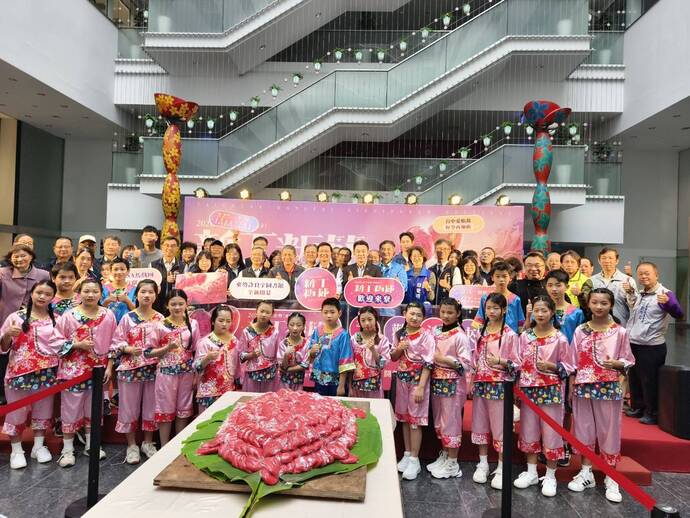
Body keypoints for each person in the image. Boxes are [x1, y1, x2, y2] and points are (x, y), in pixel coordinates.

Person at [567, 288, 635, 503]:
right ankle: (586, 472)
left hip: (609, 386)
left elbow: (629, 359)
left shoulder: (619, 332)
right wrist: (571, 385)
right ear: (588, 304)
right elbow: (571, 360)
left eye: (604, 303)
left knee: (609, 430)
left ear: (611, 305)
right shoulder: (580, 330)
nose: (598, 306)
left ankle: (611, 476)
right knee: (584, 428)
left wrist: (618, 363)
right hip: (583, 386)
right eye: (595, 302)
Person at [513, 296, 575, 497]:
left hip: (551, 391)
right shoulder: (525, 336)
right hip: (528, 390)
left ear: (552, 313)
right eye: (537, 310)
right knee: (528, 430)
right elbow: (518, 363)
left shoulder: (560, 338)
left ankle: (550, 475)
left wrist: (553, 366)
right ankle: (531, 472)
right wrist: (517, 386)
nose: (540, 314)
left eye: (544, 310)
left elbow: (569, 366)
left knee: (551, 433)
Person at [1, 280, 63, 469]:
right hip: (19, 372)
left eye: (47, 294)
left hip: (47, 371)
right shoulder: (16, 317)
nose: (42, 297)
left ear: (52, 297)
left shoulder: (57, 319)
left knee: (43, 410)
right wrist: (8, 334)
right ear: (32, 294)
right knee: (16, 411)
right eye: (39, 292)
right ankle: (16, 450)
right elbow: (3, 346)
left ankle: (38, 446)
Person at [55, 278, 117, 467]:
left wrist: (109, 367)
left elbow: (115, 342)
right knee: (70, 410)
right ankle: (67, 450)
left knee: (94, 408)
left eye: (95, 291)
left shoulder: (108, 315)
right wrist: (76, 345)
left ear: (101, 294)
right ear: (79, 293)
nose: (90, 295)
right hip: (72, 371)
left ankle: (92, 445)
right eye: (86, 291)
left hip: (98, 371)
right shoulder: (68, 316)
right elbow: (56, 341)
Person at [110, 279, 164, 465]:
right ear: (137, 295)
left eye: (150, 292)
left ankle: (148, 443)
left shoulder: (161, 319)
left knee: (151, 406)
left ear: (156, 295)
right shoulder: (128, 318)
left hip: (154, 369)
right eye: (143, 292)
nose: (146, 295)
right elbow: (116, 341)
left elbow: (166, 343)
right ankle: (132, 445)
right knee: (128, 408)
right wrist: (127, 349)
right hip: (130, 368)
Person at [624, 262, 684, 424]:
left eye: (647, 273)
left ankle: (652, 412)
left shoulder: (665, 293)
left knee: (649, 380)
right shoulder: (640, 293)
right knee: (634, 378)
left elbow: (679, 314)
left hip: (652, 345)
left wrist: (669, 303)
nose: (643, 276)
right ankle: (637, 407)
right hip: (634, 342)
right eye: (640, 274)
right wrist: (630, 292)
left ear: (656, 275)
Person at [470, 293, 519, 490]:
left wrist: (500, 361)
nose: (491, 311)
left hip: (500, 385)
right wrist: (472, 379)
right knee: (480, 423)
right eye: (488, 308)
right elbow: (473, 359)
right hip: (481, 384)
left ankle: (501, 466)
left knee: (500, 427)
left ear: (504, 310)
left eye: (496, 308)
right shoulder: (480, 332)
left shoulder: (509, 334)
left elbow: (516, 363)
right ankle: (482, 463)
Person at [145, 289, 200, 446]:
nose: (177, 307)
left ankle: (177, 446)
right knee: (165, 409)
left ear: (186, 304)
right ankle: (164, 446)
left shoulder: (193, 324)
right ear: (167, 305)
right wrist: (167, 348)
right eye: (173, 304)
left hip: (187, 373)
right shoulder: (159, 325)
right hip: (166, 373)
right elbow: (148, 352)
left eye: (181, 304)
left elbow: (197, 350)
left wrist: (196, 375)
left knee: (183, 409)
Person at [427, 298, 472, 479]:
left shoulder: (460, 336)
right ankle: (445, 455)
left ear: (458, 313)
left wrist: (444, 359)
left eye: (450, 312)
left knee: (451, 421)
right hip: (437, 381)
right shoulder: (436, 331)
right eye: (443, 312)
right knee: (440, 420)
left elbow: (466, 364)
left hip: (453, 384)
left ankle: (453, 463)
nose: (445, 315)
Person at [0, 244, 50, 404]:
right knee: (5, 356)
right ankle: (3, 393)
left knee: (29, 356)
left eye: (23, 255)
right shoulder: (3, 273)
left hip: (34, 322)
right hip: (7, 319)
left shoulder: (43, 274)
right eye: (15, 256)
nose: (19, 259)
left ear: (31, 257)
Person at [392, 302, 435, 481]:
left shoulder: (427, 336)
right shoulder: (400, 334)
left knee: (415, 421)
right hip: (402, 381)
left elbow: (428, 363)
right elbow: (393, 358)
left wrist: (421, 387)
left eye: (418, 315)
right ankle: (407, 453)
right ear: (405, 314)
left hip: (418, 382)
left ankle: (415, 460)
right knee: (404, 418)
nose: (415, 317)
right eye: (412, 314)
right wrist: (399, 348)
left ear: (423, 317)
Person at [194, 305, 238, 413]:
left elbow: (238, 366)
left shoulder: (234, 341)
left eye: (228, 321)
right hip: (209, 392)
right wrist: (207, 358)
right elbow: (196, 367)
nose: (224, 324)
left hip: (229, 391)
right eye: (221, 320)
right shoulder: (205, 342)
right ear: (213, 321)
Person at [306, 298, 354, 396]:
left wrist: (341, 386)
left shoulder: (343, 335)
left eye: (332, 312)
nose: (329, 315)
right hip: (319, 379)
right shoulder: (317, 331)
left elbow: (345, 361)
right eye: (326, 312)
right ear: (321, 313)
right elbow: (310, 356)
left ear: (339, 313)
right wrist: (311, 352)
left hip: (336, 382)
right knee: (320, 404)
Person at [238, 300, 280, 393]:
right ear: (256, 311)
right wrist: (251, 355)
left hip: (270, 373)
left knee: (268, 399)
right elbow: (240, 354)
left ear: (272, 314)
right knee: (250, 399)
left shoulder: (275, 332)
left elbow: (278, 356)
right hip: (252, 373)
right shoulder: (247, 331)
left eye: (267, 312)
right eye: (262, 311)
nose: (264, 315)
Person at [349, 306, 391, 398]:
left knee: (374, 406)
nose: (367, 323)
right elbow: (350, 363)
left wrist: (373, 350)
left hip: (374, 384)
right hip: (356, 384)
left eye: (370, 319)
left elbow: (383, 364)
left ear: (376, 319)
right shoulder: (355, 338)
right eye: (363, 320)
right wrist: (349, 387)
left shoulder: (381, 339)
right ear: (359, 322)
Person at [473, 262, 525, 334]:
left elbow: (521, 323)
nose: (501, 279)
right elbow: (479, 319)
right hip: (490, 336)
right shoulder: (486, 297)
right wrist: (476, 335)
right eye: (497, 276)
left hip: (510, 337)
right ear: (492, 278)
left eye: (504, 276)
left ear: (510, 278)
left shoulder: (516, 299)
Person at [590, 247, 636, 326]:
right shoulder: (592, 280)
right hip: (597, 325)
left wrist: (630, 292)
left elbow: (634, 305)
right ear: (599, 261)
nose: (607, 261)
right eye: (604, 258)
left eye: (610, 258)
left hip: (620, 325)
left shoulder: (627, 280)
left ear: (617, 261)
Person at [543, 269, 585, 343]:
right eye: (550, 285)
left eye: (558, 285)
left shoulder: (576, 313)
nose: (554, 289)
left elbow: (581, 338)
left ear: (567, 287)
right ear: (546, 287)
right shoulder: (540, 310)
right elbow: (532, 333)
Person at [277, 312, 309, 391]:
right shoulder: (283, 344)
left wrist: (287, 370)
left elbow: (305, 364)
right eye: (292, 325)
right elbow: (282, 366)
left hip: (299, 381)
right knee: (283, 397)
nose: (295, 328)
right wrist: (286, 354)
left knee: (298, 398)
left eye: (298, 325)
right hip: (284, 382)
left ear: (303, 326)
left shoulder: (307, 343)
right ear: (287, 325)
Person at [151, 236, 183, 314]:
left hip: (176, 305)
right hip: (157, 304)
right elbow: (150, 285)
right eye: (166, 245)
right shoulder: (152, 265)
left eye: (173, 246)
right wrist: (165, 280)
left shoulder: (183, 266)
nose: (169, 248)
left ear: (177, 248)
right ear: (162, 247)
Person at [101, 258, 136, 323]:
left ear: (128, 271)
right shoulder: (103, 289)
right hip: (107, 324)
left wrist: (127, 300)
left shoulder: (134, 289)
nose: (119, 272)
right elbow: (97, 312)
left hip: (128, 324)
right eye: (116, 269)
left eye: (122, 269)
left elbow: (138, 312)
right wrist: (107, 301)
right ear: (111, 271)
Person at [378, 240, 408, 316]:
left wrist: (398, 284)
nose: (386, 252)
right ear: (380, 252)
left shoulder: (399, 268)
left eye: (389, 249)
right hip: (376, 308)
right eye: (383, 249)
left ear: (394, 252)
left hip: (392, 310)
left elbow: (404, 288)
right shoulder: (374, 267)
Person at [404, 246, 436, 312]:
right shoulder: (405, 274)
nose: (416, 258)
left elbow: (431, 298)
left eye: (419, 256)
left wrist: (428, 289)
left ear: (423, 258)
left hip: (424, 310)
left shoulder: (430, 274)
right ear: (410, 258)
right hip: (408, 309)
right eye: (414, 256)